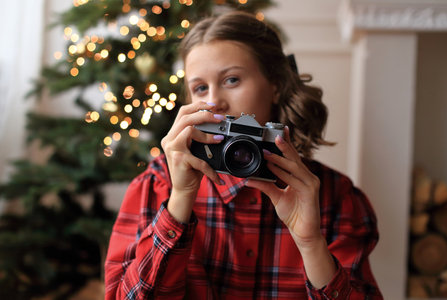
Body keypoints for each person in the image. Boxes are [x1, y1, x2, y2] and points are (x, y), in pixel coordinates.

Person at [104, 11, 382, 299]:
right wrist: (180, 202)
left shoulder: (335, 197)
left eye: (232, 79)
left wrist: (311, 244)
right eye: (200, 88)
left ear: (275, 86)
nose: (214, 101)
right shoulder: (157, 185)